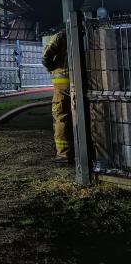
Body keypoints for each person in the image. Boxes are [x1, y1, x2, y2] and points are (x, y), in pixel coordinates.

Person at [42, 30, 74, 164]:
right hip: (84, 81)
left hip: (63, 84)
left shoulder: (62, 35)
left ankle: (64, 154)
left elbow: (45, 57)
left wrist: (53, 68)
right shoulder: (89, 31)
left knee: (61, 115)